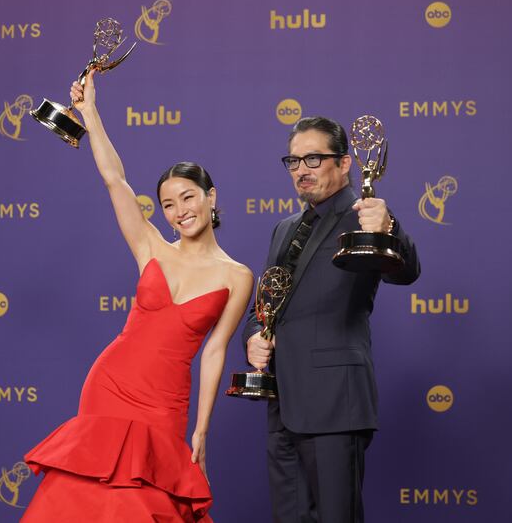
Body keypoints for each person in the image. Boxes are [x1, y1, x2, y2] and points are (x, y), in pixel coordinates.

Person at [22, 71, 253, 522]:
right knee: (88, 500)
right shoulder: (150, 246)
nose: (180, 210)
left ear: (211, 198)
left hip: (165, 401)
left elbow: (215, 352)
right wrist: (90, 111)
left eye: (188, 197)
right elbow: (115, 180)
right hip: (111, 383)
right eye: (169, 204)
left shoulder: (237, 275)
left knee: (140, 501)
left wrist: (203, 428)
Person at [242, 116, 420, 522]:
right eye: (294, 161)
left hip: (335, 405)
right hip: (282, 403)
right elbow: (265, 306)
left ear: (344, 164)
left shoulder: (365, 216)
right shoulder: (283, 229)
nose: (301, 170)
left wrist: (388, 227)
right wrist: (253, 336)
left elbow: (408, 270)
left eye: (314, 159)